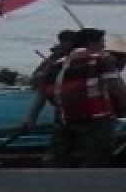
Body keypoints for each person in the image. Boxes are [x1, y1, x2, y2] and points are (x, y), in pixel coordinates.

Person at [18, 27, 126, 167]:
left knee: (59, 156)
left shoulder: (56, 64)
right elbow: (115, 87)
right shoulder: (101, 58)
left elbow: (42, 93)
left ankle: (57, 173)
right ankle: (89, 180)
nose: (104, 46)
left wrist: (31, 119)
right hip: (96, 120)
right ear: (91, 43)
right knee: (99, 154)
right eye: (102, 43)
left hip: (66, 120)